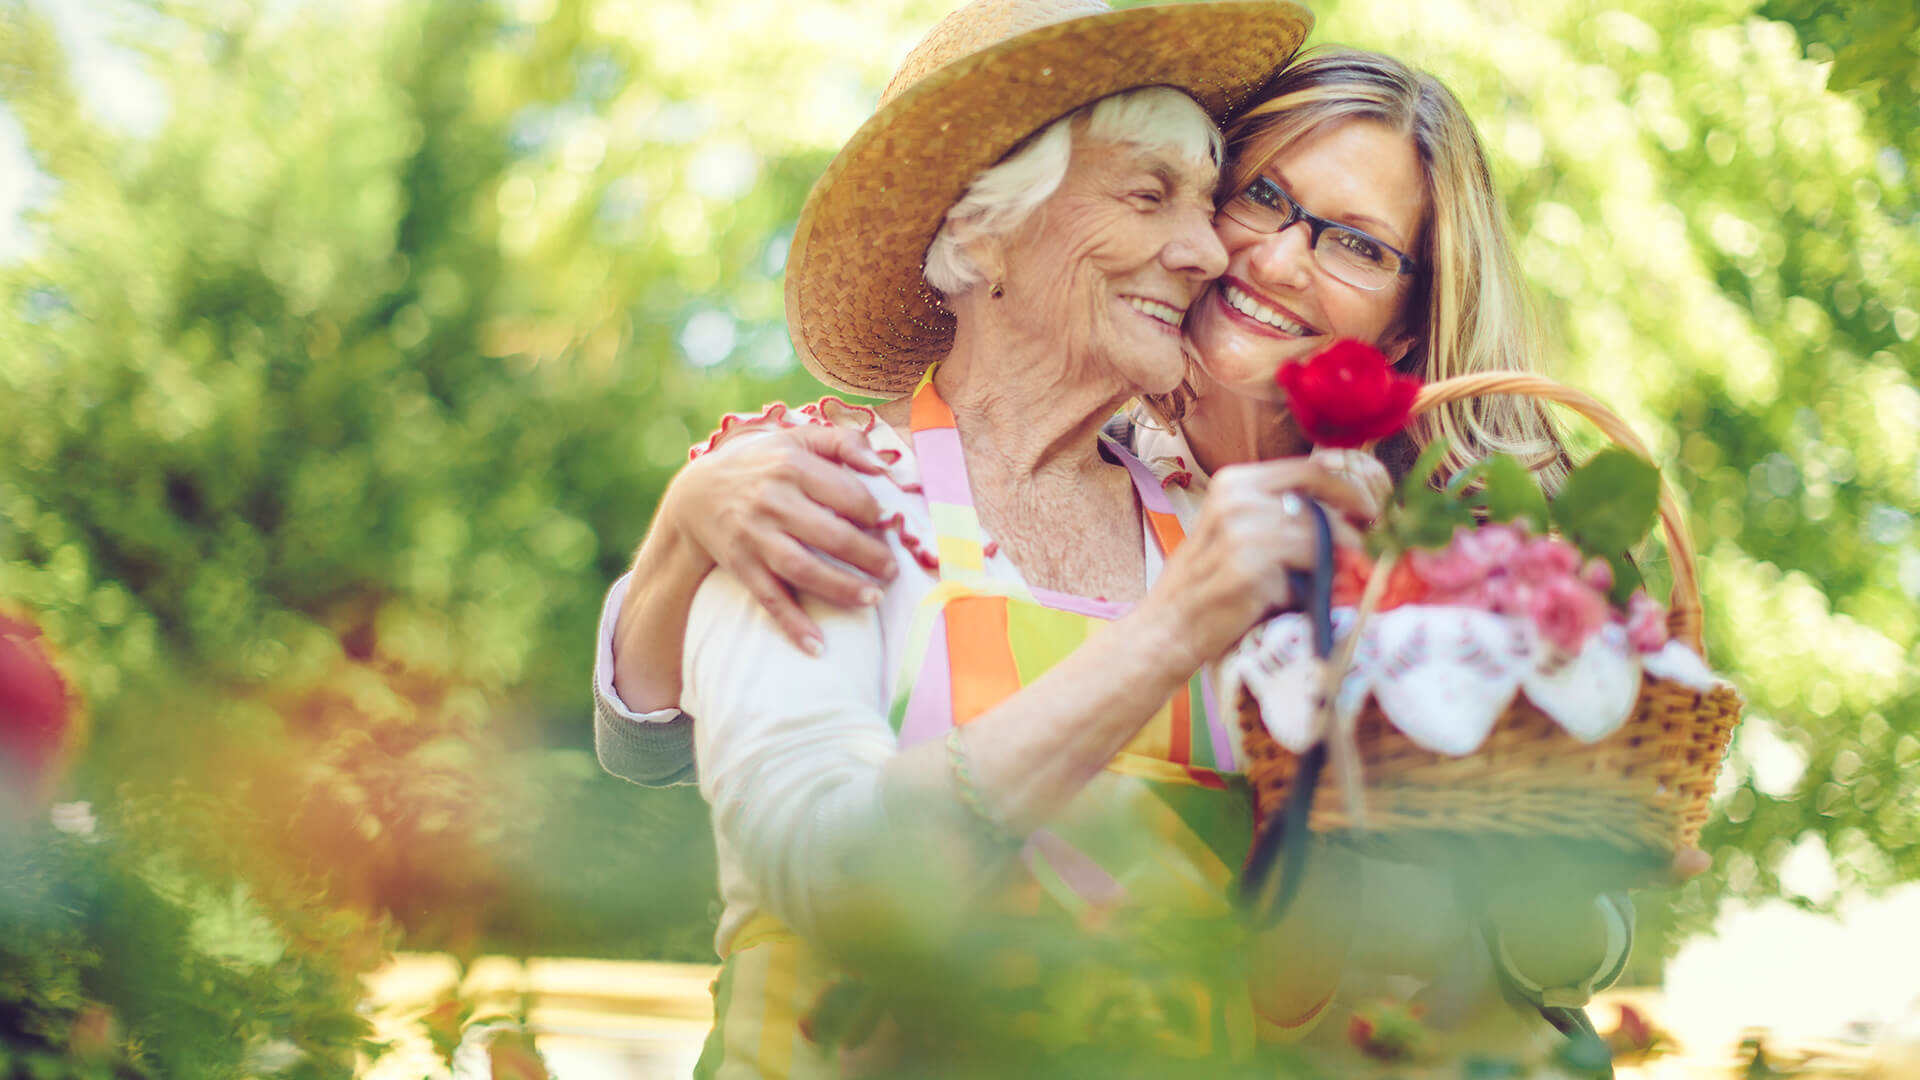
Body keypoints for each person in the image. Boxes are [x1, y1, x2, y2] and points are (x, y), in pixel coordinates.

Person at [600, 26, 1679, 1072]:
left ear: (1402, 330)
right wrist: (680, 536)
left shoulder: (1302, 539)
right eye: (1240, 196)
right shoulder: (825, 489)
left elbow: (1306, 966)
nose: (1231, 251)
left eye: (1355, 242)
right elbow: (791, 844)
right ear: (986, 228)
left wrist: (1538, 881)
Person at [630, 0, 1375, 1073]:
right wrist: (1166, 638)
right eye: (1148, 193)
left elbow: (1289, 988)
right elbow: (832, 875)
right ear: (988, 232)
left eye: (1208, 203)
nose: (1209, 250)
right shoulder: (814, 494)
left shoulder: (1206, 534)